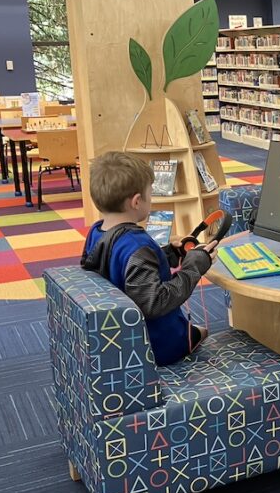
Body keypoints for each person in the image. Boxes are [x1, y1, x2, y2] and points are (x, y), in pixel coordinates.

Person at [80, 151, 217, 366]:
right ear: (136, 201)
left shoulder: (97, 233)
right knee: (203, 330)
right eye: (150, 194)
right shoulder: (138, 245)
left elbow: (123, 266)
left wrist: (169, 254)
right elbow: (155, 303)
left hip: (120, 336)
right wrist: (194, 266)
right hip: (154, 346)